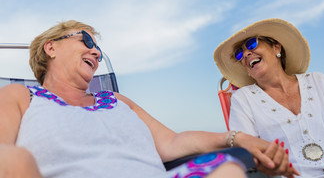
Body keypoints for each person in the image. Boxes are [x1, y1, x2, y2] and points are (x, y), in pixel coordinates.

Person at [0, 20, 298, 178]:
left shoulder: (116, 100)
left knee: (227, 170)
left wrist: (239, 138)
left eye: (98, 49)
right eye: (87, 41)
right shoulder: (20, 96)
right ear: (51, 48)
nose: (96, 52)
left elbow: (172, 143)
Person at [213, 18, 324, 178]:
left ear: (277, 48)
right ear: (246, 69)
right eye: (240, 54)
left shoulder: (318, 81)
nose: (246, 54)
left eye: (252, 44)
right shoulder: (243, 98)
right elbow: (248, 150)